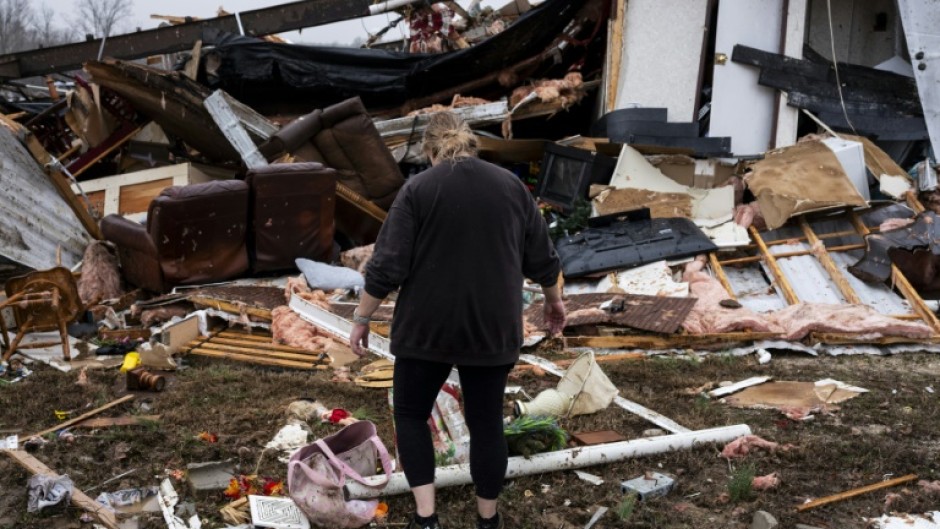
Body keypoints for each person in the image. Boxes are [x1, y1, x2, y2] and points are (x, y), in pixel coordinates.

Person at [349, 111, 566, 529]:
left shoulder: (418, 189)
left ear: (429, 150)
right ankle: (488, 520)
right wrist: (554, 301)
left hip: (426, 327)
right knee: (486, 422)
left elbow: (387, 265)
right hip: (493, 327)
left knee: (411, 413)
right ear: (471, 144)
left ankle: (426, 519)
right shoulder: (511, 188)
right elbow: (543, 257)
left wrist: (361, 317)